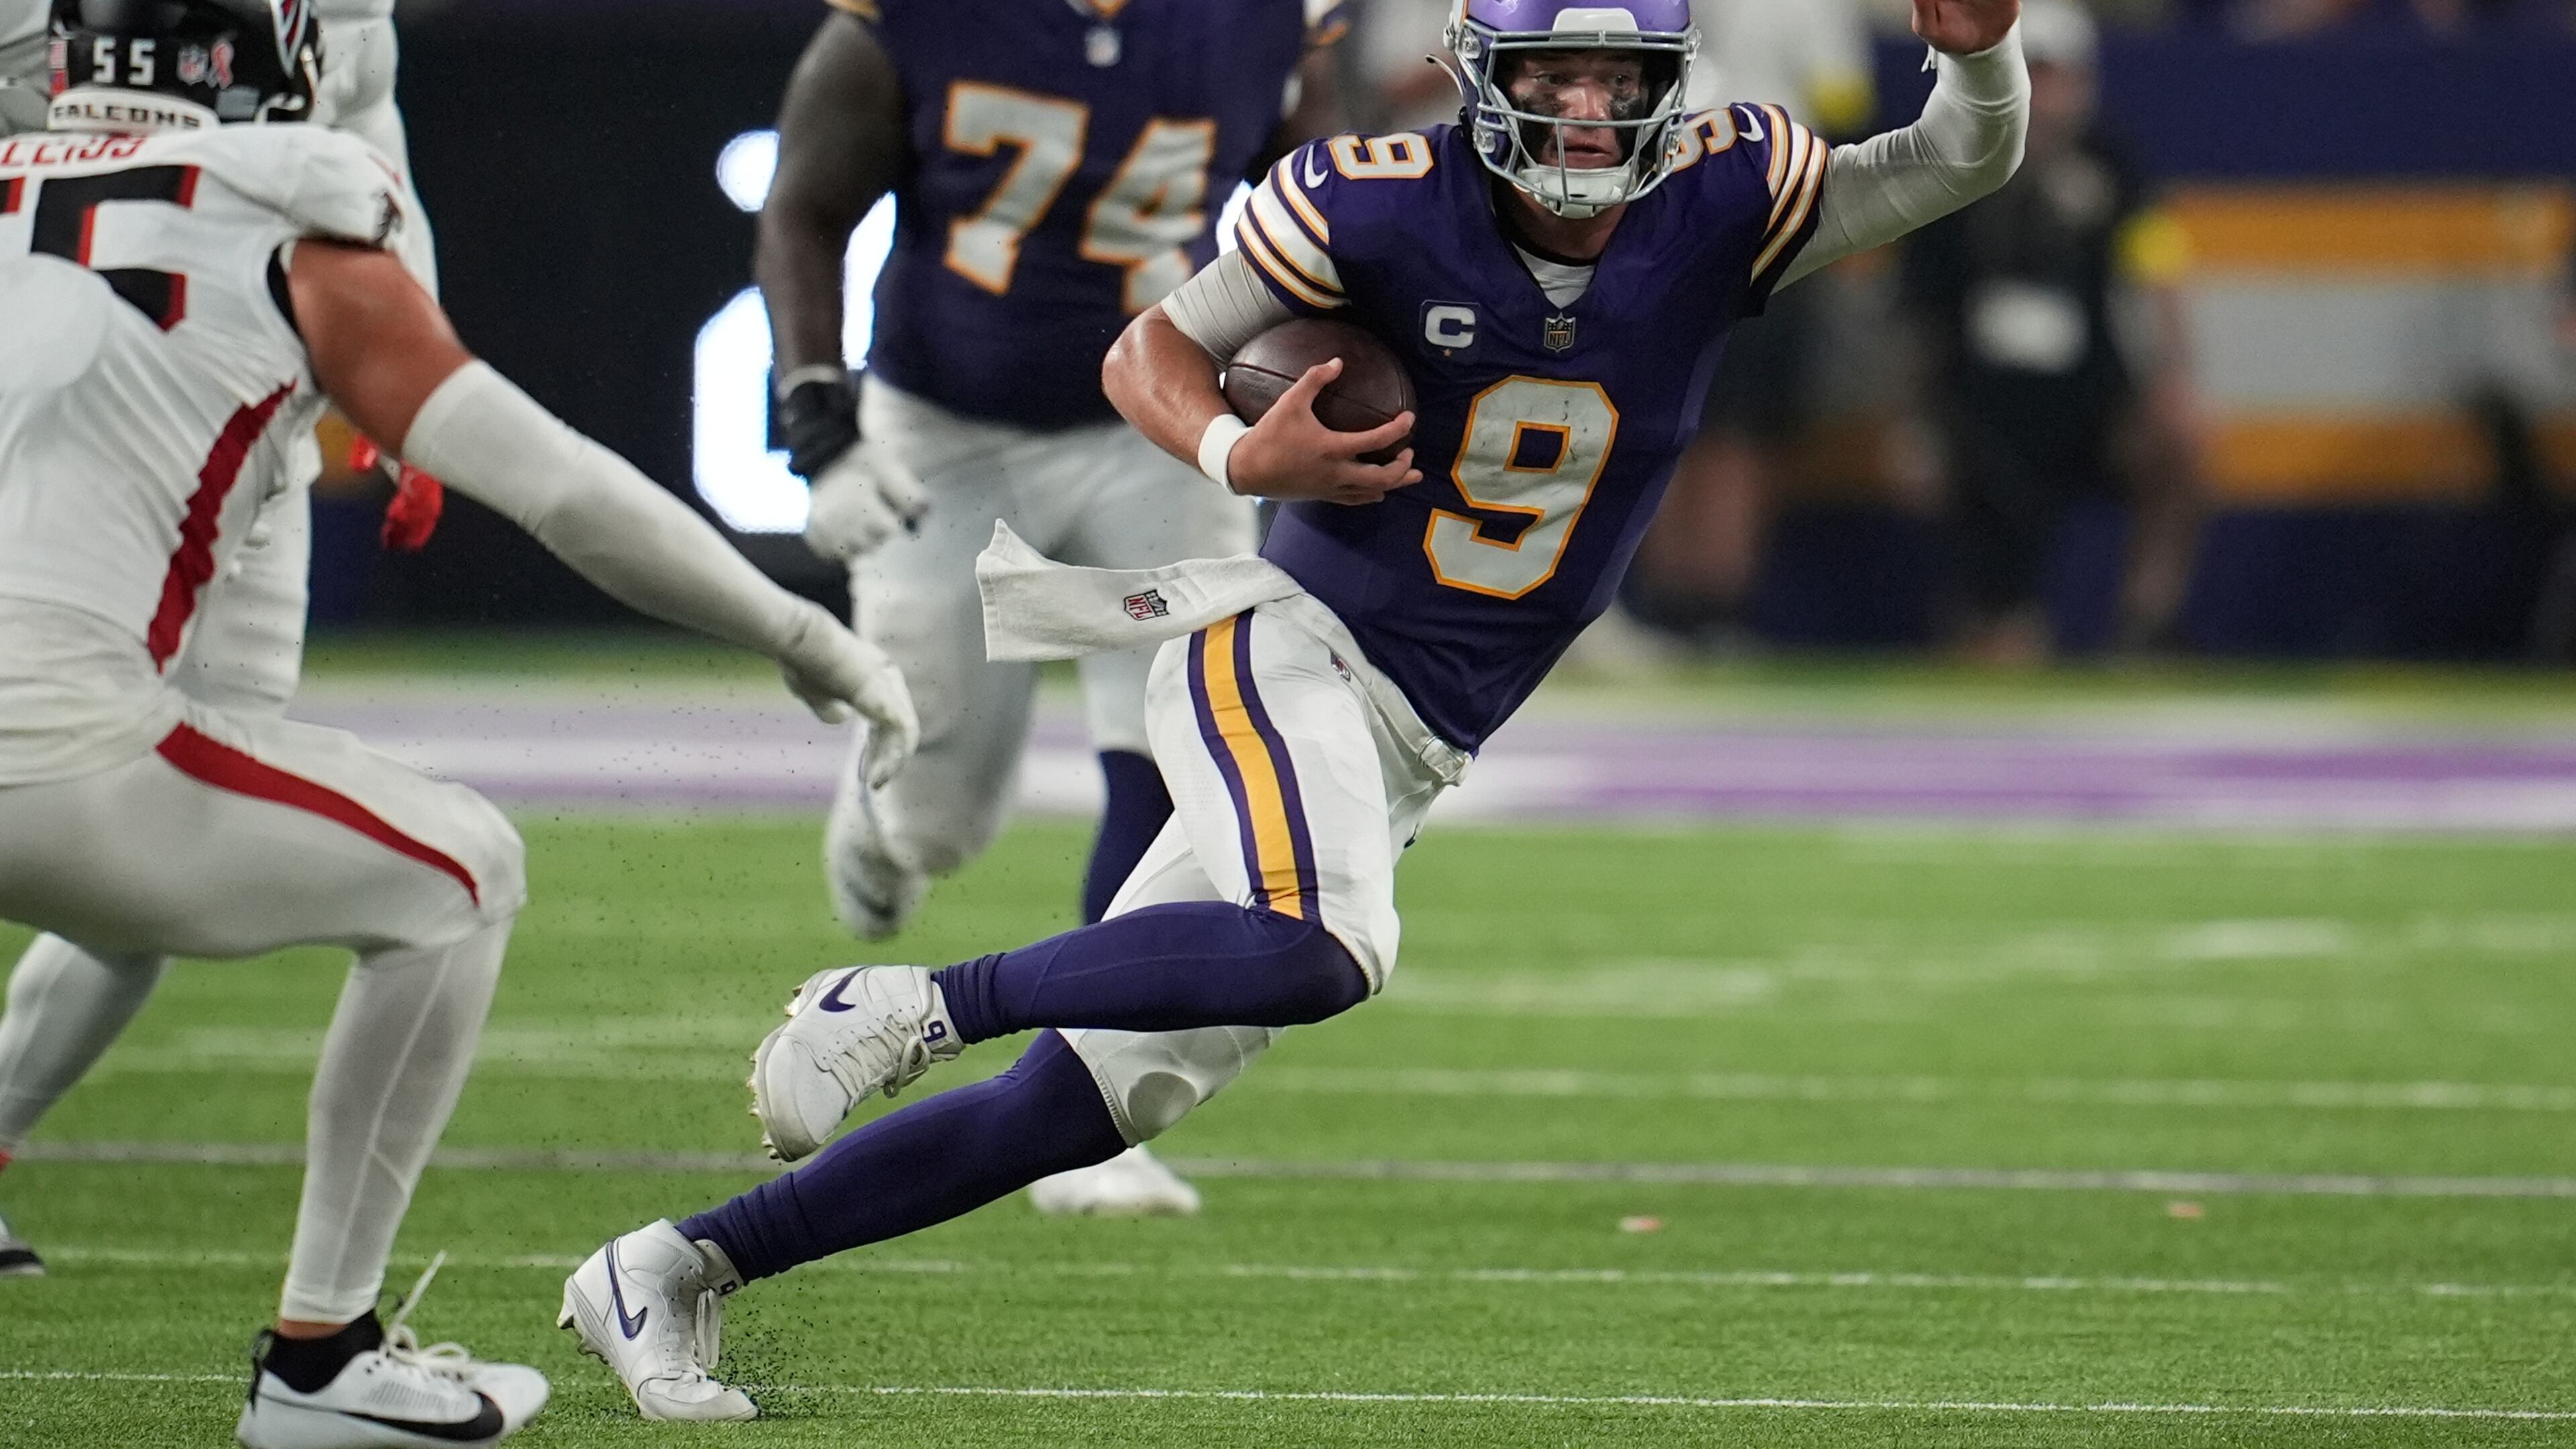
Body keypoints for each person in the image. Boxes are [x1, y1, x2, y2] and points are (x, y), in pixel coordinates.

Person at [559, 0, 2025, 1419]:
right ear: (1483, 74)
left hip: (1421, 727)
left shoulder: (1725, 196)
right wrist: (1229, 451)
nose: (1587, 110)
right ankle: (911, 1004)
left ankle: (670, 1269)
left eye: (1618, 78)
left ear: (1667, 86)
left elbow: (1954, 156)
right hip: (1292, 647)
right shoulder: (1374, 202)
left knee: (1074, 1109)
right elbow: (1149, 349)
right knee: (1326, 946)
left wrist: (1983, 59)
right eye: (1553, 75)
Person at [0, 2, 919, 1444]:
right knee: (460, 873)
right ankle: (322, 1364)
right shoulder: (295, 221)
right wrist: (803, 634)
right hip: (53, 755)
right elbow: (559, 490)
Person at [760, 0, 1344, 1218]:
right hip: (948, 427)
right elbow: (806, 206)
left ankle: (1091, 1115)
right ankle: (881, 825)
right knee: (935, 824)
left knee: (1183, 746)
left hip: (1160, 419)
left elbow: (1332, 213)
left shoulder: (1262, 22)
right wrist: (818, 419)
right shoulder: (914, 20)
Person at [0, 0, 442, 1284]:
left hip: (233, 424)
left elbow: (371, 132)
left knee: (162, 843)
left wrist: (412, 381)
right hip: (47, 413)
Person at [1894, 0, 2202, 659]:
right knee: (2004, 642)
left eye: (2059, 75)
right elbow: (1919, 314)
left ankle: (2146, 625)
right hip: (1982, 412)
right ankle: (1991, 616)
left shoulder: (2114, 165)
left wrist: (2175, 376)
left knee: (2178, 444)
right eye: (2032, 72)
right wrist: (1913, 422)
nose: (2046, 93)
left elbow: (2159, 270)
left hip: (2089, 396)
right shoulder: (1947, 162)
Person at [1622, 0, 1877, 648]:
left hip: (1750, 213)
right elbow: (1843, 106)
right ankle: (1675, 613)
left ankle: (1705, 611)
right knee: (1673, 421)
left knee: (1731, 427)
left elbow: (1843, 107)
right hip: (1682, 208)